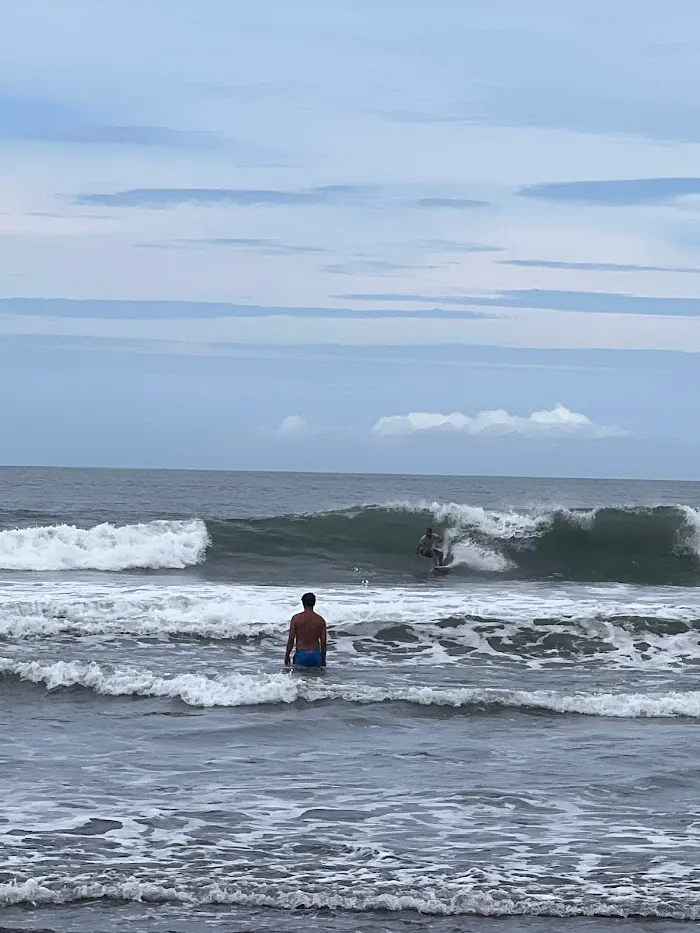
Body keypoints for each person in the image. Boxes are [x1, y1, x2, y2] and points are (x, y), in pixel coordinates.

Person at [284, 592, 327, 668]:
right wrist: (323, 660)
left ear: (302, 603)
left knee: (298, 679)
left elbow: (291, 639)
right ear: (314, 603)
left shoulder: (296, 619)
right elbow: (323, 643)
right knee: (316, 679)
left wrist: (287, 655)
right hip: (316, 656)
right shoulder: (320, 620)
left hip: (301, 655)